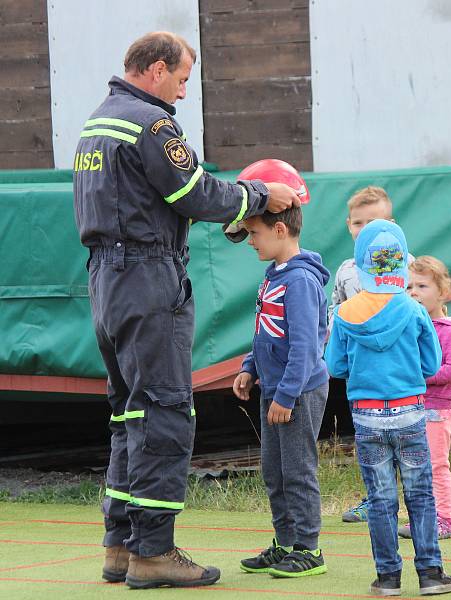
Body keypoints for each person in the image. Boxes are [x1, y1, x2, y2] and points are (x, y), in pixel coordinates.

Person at [72, 31, 301, 588]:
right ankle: (154, 552)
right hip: (149, 278)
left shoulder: (97, 122)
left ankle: (121, 545)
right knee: (166, 410)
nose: (181, 93)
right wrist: (257, 197)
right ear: (155, 70)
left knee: (128, 411)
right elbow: (194, 193)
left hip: (105, 277)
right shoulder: (152, 123)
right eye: (180, 79)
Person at [325, 220, 451, 596]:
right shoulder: (414, 310)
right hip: (411, 413)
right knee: (420, 495)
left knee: (381, 500)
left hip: (367, 416)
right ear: (401, 262)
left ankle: (388, 578)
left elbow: (335, 367)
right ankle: (431, 574)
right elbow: (431, 366)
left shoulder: (347, 313)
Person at [231, 205, 331, 575]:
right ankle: (286, 542)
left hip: (298, 392)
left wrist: (287, 396)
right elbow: (268, 332)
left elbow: (306, 346)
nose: (250, 242)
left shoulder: (301, 281)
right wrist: (250, 368)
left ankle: (309, 548)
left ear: (278, 229)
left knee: (298, 470)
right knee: (274, 470)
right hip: (274, 388)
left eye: (254, 234)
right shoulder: (273, 274)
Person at [330, 185, 413, 524]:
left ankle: (418, 501)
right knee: (370, 442)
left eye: (376, 222)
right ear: (349, 226)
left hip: (400, 372)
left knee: (409, 441)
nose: (367, 231)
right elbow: (335, 313)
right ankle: (375, 499)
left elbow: (419, 313)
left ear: (392, 224)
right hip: (362, 374)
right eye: (359, 224)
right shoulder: (346, 271)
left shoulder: (407, 266)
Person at [400, 256, 451, 540]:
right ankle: (424, 518)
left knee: (436, 465)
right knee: (413, 466)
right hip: (412, 408)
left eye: (422, 285)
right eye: (408, 286)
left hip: (435, 411)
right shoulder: (412, 327)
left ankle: (446, 519)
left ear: (442, 292)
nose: (413, 291)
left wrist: (417, 375)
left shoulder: (450, 331)